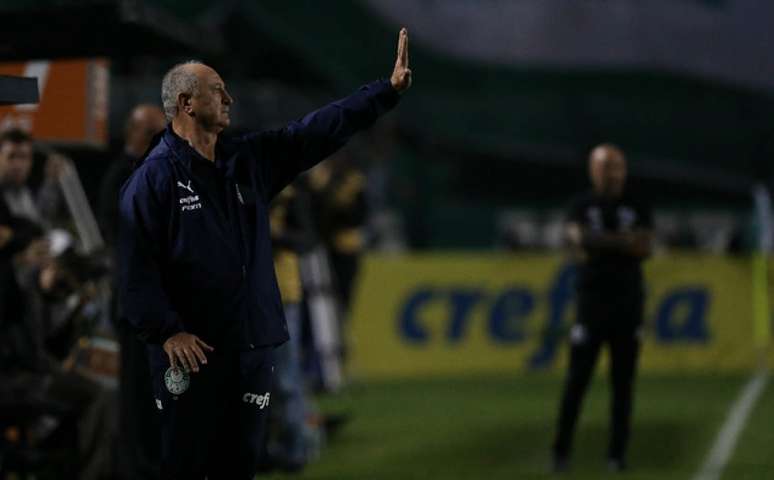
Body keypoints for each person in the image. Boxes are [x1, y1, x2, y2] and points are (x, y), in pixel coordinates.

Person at [118, 28, 412, 479]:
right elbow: (135, 270)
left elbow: (314, 132)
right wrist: (167, 331)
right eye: (218, 91)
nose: (230, 98)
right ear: (186, 103)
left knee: (241, 468)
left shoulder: (246, 161)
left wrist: (384, 92)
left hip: (251, 347)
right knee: (187, 468)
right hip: (190, 356)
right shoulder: (152, 180)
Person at [551, 144, 653, 473]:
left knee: (622, 386)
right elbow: (575, 240)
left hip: (627, 305)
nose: (613, 173)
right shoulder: (581, 205)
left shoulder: (637, 204)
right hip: (591, 306)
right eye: (606, 166)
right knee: (576, 382)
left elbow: (643, 246)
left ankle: (616, 456)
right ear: (593, 170)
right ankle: (561, 453)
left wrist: (597, 241)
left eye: (618, 166)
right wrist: (621, 241)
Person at [99, 104, 167, 479]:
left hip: (160, 304)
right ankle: (135, 469)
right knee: (137, 393)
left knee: (159, 391)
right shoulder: (119, 176)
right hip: (134, 305)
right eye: (155, 134)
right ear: (135, 134)